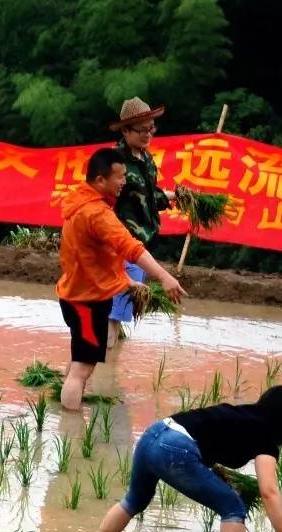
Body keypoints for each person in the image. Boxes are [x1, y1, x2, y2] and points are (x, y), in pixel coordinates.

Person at [94, 385, 282, 532]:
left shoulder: (243, 415)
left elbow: (208, 438)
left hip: (153, 433)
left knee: (134, 500)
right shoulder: (266, 436)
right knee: (233, 507)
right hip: (174, 448)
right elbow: (269, 491)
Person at [56, 148, 185, 409]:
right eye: (119, 177)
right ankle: (72, 432)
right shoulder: (97, 214)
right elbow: (132, 248)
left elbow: (95, 259)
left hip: (74, 295)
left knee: (78, 358)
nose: (124, 181)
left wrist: (126, 281)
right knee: (83, 368)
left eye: (125, 175)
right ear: (100, 180)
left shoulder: (79, 201)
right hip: (87, 302)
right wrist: (164, 276)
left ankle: (66, 405)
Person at [108, 97, 175, 346]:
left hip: (139, 245)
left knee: (120, 309)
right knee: (114, 314)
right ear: (125, 130)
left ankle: (107, 362)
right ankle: (100, 376)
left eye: (151, 128)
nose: (148, 134)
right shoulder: (115, 162)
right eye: (142, 130)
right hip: (118, 244)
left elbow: (147, 195)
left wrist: (170, 196)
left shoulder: (146, 158)